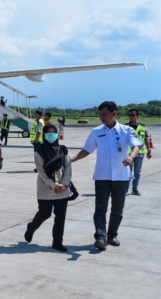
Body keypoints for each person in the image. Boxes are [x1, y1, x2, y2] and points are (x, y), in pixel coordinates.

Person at [70, 101, 141, 251]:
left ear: (114, 113)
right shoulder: (96, 132)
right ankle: (100, 237)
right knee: (100, 208)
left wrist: (131, 157)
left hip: (121, 176)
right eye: (100, 114)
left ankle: (112, 235)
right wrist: (70, 160)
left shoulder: (126, 130)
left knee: (117, 209)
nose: (102, 117)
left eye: (105, 114)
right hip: (102, 176)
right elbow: (87, 150)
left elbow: (136, 145)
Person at [24, 124, 72, 252]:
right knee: (44, 213)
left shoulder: (63, 149)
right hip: (46, 187)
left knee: (60, 216)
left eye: (54, 132)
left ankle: (57, 242)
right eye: (49, 132)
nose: (52, 135)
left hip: (62, 186)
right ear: (44, 134)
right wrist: (54, 185)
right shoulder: (39, 151)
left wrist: (64, 183)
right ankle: (31, 227)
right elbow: (41, 171)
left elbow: (68, 167)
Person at [125, 109, 151, 195]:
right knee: (128, 171)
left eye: (132, 115)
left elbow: (146, 139)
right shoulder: (125, 127)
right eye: (129, 115)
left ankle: (135, 189)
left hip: (140, 153)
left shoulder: (143, 127)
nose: (131, 117)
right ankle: (125, 188)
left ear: (137, 116)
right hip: (128, 154)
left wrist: (149, 150)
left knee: (137, 172)